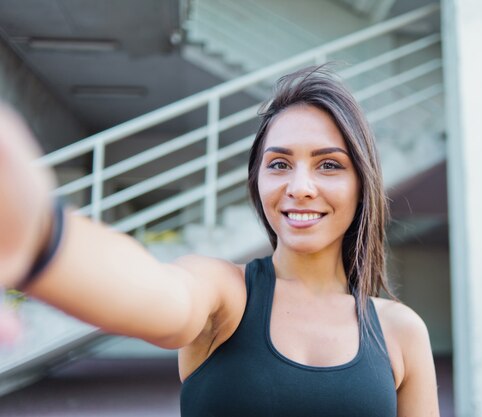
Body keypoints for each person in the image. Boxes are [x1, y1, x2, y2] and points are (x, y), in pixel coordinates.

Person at [0, 67, 440, 416]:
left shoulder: (400, 331)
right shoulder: (225, 294)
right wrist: (41, 238)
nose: (300, 186)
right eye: (279, 164)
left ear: (362, 184)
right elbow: (158, 293)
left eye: (328, 165)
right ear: (258, 182)